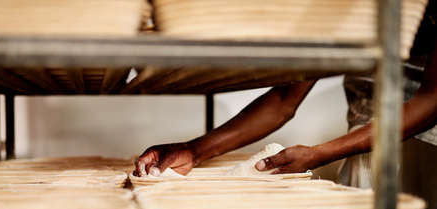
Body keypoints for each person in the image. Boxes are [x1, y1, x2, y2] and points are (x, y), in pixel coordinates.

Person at [134, 4, 437, 179]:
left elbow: (431, 99)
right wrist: (193, 151)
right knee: (364, 200)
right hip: (376, 101)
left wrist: (320, 153)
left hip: (427, 102)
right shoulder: (335, 11)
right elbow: (283, 100)